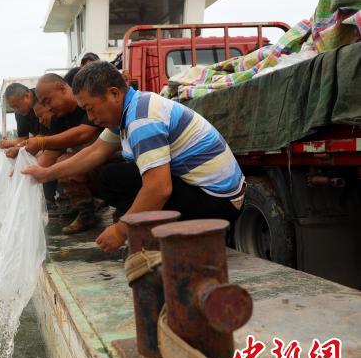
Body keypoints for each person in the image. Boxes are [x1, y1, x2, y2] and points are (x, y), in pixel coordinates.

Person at [23, 61, 245, 252]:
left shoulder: (142, 119)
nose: (91, 117)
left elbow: (159, 188)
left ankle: (169, 233)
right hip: (211, 195)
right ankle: (153, 225)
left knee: (118, 179)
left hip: (219, 204)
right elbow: (94, 151)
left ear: (114, 93)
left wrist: (121, 231)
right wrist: (46, 173)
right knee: (111, 177)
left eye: (91, 108)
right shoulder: (132, 107)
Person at [24, 73, 103, 234]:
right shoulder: (59, 117)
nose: (48, 108)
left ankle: (90, 211)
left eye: (48, 101)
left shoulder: (85, 103)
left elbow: (84, 133)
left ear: (62, 88)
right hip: (92, 159)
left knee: (65, 162)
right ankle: (83, 208)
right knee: (59, 159)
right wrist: (25, 173)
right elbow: (50, 155)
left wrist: (42, 141)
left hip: (111, 156)